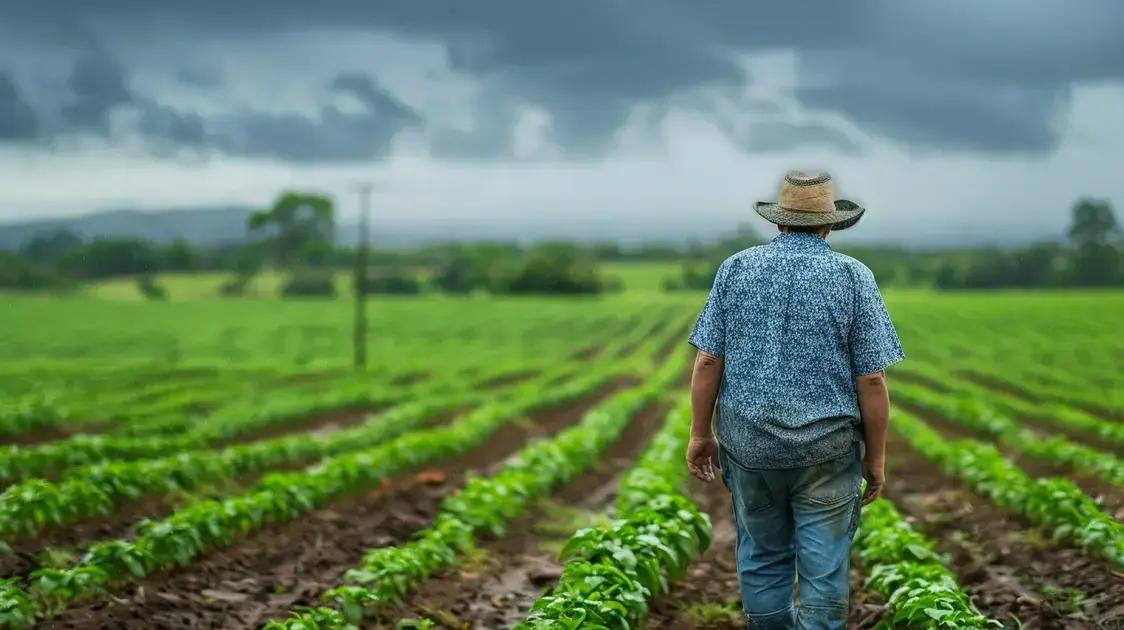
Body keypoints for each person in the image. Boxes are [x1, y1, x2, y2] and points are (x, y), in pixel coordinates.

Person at [686, 171, 904, 629]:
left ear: (780, 221)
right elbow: (872, 380)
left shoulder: (737, 269)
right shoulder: (853, 276)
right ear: (829, 226)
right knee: (824, 568)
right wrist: (876, 458)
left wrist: (700, 434)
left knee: (763, 556)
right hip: (828, 449)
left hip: (750, 448)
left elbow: (707, 361)